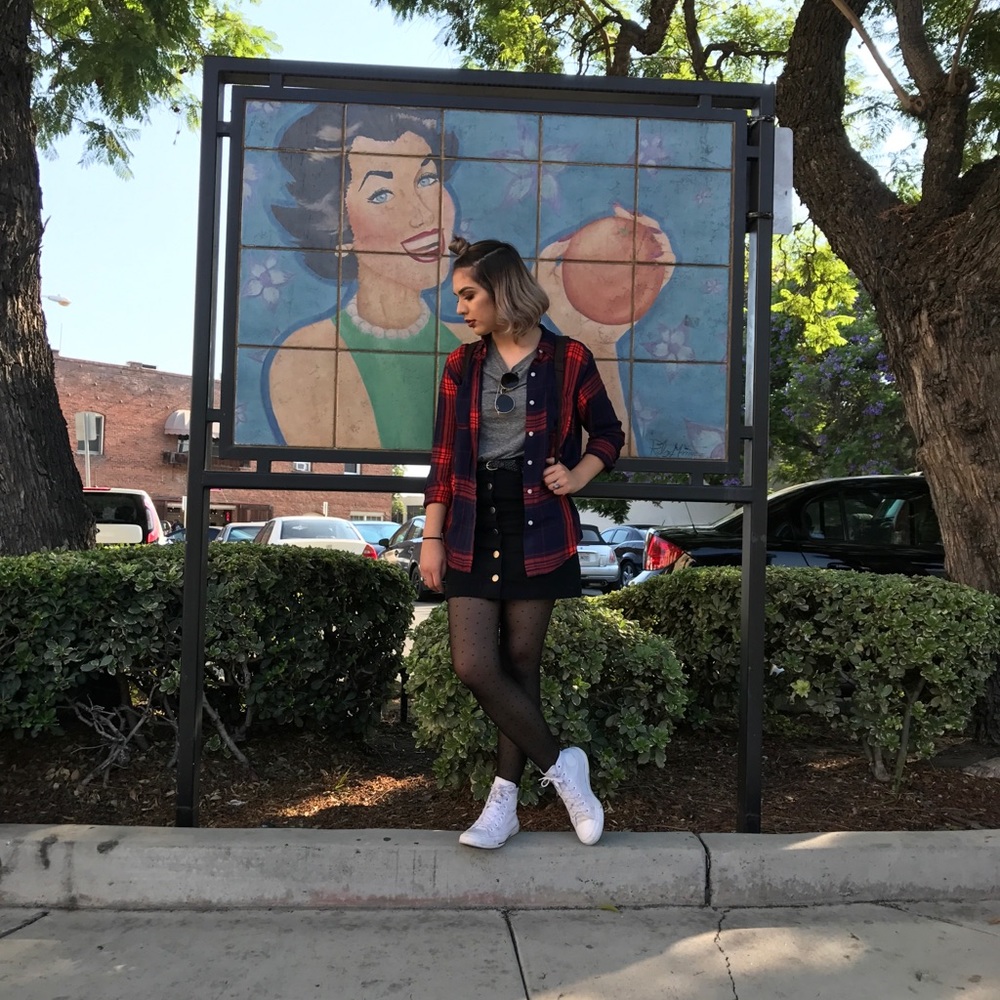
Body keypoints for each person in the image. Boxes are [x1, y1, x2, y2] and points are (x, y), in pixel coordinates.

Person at [419, 236, 625, 849]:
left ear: (501, 291)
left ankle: (502, 805)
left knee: (521, 664)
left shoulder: (569, 359)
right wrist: (431, 536)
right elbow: (441, 457)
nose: (462, 308)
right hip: (470, 520)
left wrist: (578, 473)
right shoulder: (461, 366)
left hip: (538, 519)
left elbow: (609, 435)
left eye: (469, 294)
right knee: (474, 663)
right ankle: (566, 770)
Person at [265, 104, 466, 449]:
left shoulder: (474, 345)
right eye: (381, 194)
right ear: (339, 230)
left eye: (427, 179)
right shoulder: (304, 359)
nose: (422, 213)